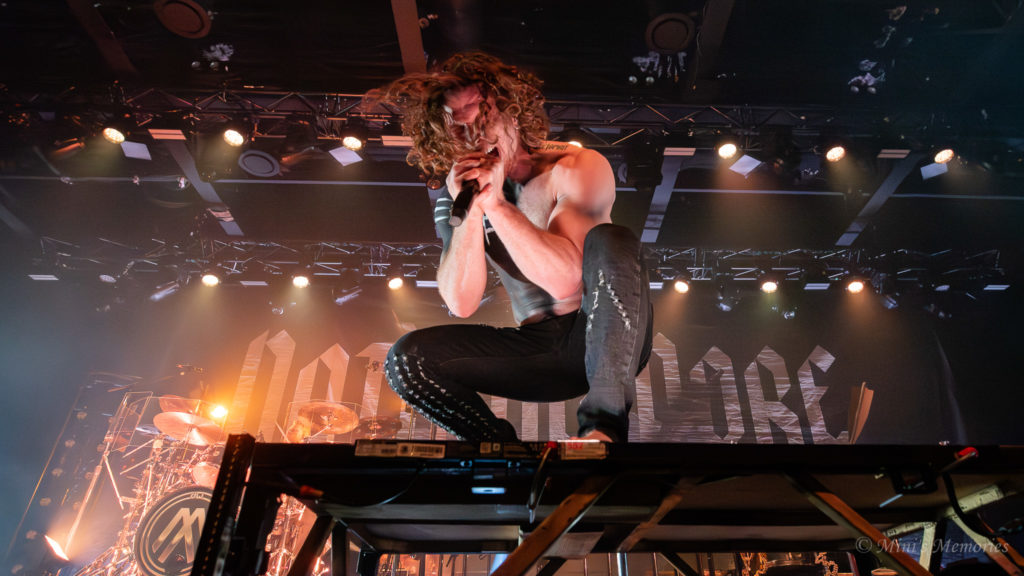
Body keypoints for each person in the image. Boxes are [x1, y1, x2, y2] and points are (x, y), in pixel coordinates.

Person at [371, 52, 653, 443]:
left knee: (612, 237)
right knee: (406, 360)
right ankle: (498, 450)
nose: (474, 136)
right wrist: (473, 213)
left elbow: (567, 282)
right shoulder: (457, 198)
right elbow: (461, 302)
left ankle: (603, 429)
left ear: (512, 110)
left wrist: (499, 207)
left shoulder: (573, 165)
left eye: (481, 118)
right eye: (458, 128)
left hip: (603, 335)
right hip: (540, 350)